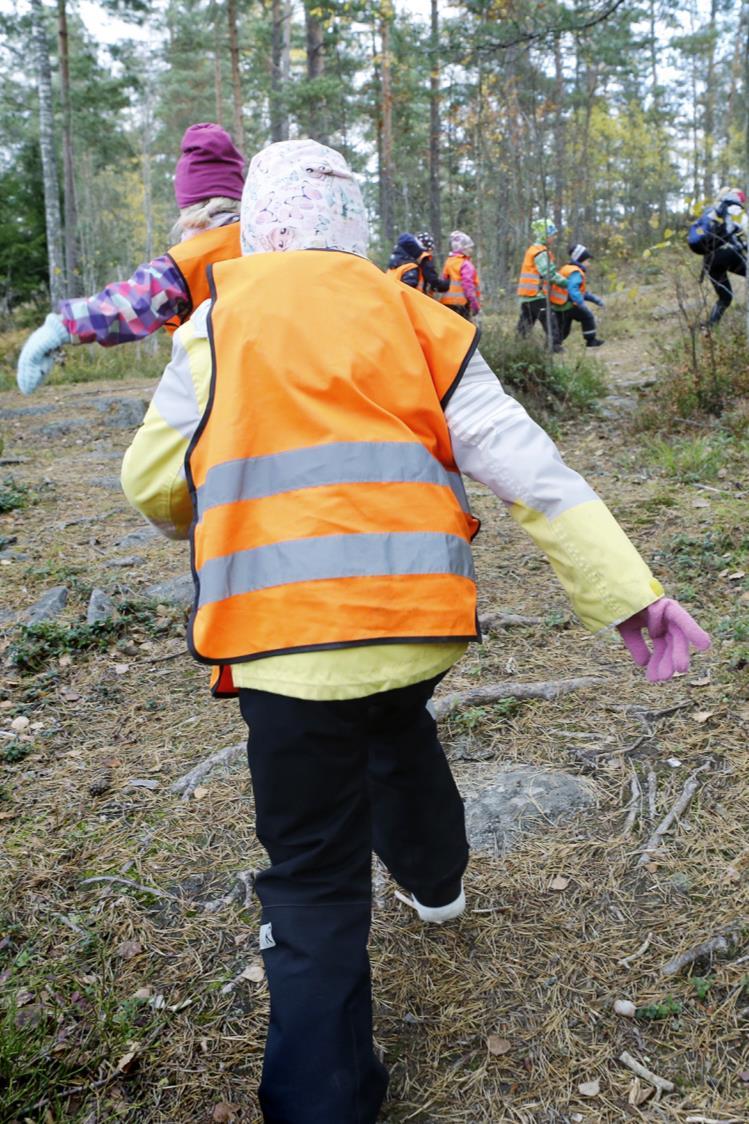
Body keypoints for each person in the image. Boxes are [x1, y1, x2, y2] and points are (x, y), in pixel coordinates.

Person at [121, 138, 710, 1124]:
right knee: (395, 729)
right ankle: (436, 880)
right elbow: (533, 472)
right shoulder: (421, 318)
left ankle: (325, 1098)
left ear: (253, 229)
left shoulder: (215, 329)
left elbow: (151, 485)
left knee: (310, 879)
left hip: (276, 641)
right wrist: (627, 592)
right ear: (356, 227)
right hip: (407, 625)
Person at [16, 122, 245, 395]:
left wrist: (61, 327)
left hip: (221, 394)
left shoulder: (187, 263)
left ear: (189, 206)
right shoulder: (273, 243)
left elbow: (130, 304)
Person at [687, 186, 747, 327]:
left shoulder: (711, 211)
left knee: (725, 297)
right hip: (727, 253)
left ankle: (709, 328)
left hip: (710, 260)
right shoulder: (733, 208)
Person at [516, 218, 568, 351]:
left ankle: (518, 346)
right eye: (552, 235)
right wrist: (565, 282)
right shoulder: (540, 252)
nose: (554, 237)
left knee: (525, 323)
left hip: (527, 295)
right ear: (545, 235)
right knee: (550, 321)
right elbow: (548, 273)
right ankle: (554, 346)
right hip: (537, 295)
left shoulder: (533, 249)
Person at [551, 244, 605, 348]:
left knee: (563, 329)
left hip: (559, 304)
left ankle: (554, 345)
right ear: (581, 260)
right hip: (570, 304)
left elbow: (581, 292)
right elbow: (573, 290)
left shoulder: (566, 268)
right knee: (587, 317)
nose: (589, 264)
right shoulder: (576, 272)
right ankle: (591, 341)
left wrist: (595, 300)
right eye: (588, 261)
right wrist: (581, 304)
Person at [439, 230, 481, 319]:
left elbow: (443, 281)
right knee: (465, 331)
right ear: (463, 249)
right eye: (469, 248)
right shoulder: (466, 265)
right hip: (461, 304)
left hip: (446, 303)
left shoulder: (449, 261)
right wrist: (474, 304)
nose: (471, 250)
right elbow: (468, 286)